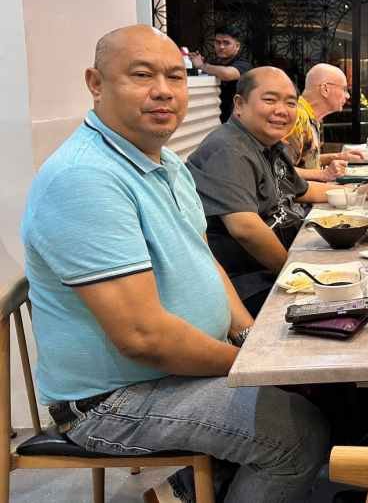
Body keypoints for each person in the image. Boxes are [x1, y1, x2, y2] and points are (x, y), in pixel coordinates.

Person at [20, 25, 329, 503]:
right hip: (113, 400)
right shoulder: (85, 179)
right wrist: (251, 365)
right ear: (96, 84)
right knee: (296, 434)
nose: (164, 90)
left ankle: (199, 486)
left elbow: (206, 262)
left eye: (175, 76)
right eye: (142, 75)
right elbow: (143, 338)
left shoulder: (166, 164)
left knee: (320, 378)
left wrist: (250, 338)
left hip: (175, 370)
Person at [187, 66, 352, 316]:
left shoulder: (269, 144)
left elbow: (303, 191)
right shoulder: (228, 149)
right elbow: (246, 229)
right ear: (239, 105)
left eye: (290, 103)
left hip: (286, 258)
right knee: (351, 304)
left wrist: (358, 192)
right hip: (251, 283)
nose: (282, 110)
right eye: (270, 100)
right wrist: (295, 273)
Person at [285, 63, 366, 182]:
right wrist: (323, 174)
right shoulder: (298, 116)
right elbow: (282, 170)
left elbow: (306, 161)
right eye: (344, 89)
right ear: (325, 89)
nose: (348, 96)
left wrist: (338, 156)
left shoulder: (311, 117)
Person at [188, 24, 253, 122]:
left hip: (237, 121)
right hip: (213, 117)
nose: (221, 47)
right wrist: (191, 63)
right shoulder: (213, 64)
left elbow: (227, 74)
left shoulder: (244, 64)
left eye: (226, 43)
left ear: (237, 46)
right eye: (217, 42)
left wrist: (202, 65)